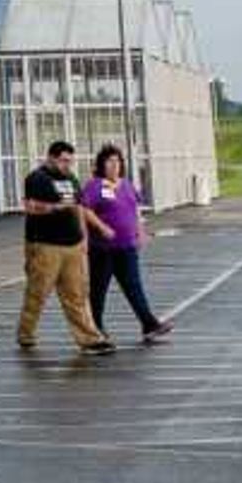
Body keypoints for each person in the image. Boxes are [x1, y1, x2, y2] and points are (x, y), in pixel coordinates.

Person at [16, 138, 114, 354]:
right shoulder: (37, 178)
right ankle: (26, 333)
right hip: (45, 245)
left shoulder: (71, 178)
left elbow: (78, 207)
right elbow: (30, 207)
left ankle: (89, 339)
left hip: (73, 245)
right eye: (62, 161)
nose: (66, 165)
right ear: (50, 157)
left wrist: (84, 238)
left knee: (77, 294)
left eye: (70, 161)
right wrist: (55, 207)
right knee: (38, 293)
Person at [83, 143, 171, 343]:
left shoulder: (127, 185)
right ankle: (95, 327)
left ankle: (149, 324)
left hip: (126, 247)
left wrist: (140, 232)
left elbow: (135, 210)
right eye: (110, 161)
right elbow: (85, 210)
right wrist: (101, 227)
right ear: (101, 164)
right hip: (103, 249)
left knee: (133, 286)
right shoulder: (95, 185)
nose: (115, 165)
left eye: (118, 161)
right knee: (99, 289)